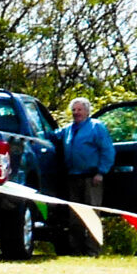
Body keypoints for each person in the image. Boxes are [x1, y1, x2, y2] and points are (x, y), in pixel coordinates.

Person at [54, 97, 115, 255]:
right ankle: (76, 250)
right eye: (74, 110)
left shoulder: (96, 127)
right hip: (73, 177)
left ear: (87, 111)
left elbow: (108, 151)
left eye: (79, 109)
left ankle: (93, 250)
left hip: (92, 178)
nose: (76, 113)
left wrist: (101, 172)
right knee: (75, 216)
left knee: (92, 214)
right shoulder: (68, 129)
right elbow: (52, 136)